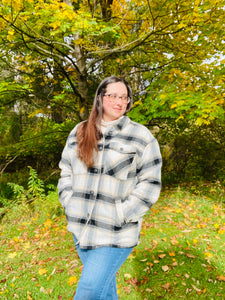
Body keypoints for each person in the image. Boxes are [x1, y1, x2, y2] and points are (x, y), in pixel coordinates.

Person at [57, 75, 162, 299]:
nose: (119, 101)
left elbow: (151, 183)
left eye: (124, 97)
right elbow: (66, 171)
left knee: (88, 291)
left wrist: (122, 213)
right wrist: (69, 203)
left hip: (116, 232)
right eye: (112, 95)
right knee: (103, 292)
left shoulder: (141, 136)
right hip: (81, 229)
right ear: (99, 98)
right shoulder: (80, 131)